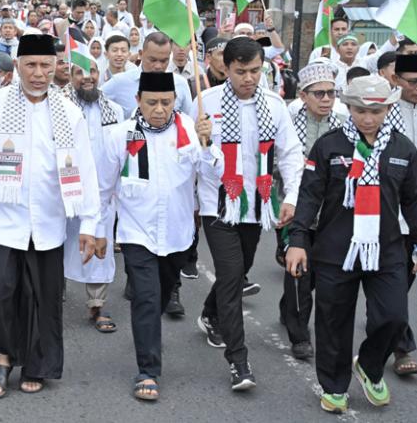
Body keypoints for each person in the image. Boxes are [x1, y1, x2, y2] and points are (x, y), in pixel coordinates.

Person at [0, 33, 101, 399]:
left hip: (47, 221)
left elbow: (86, 170)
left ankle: (29, 363)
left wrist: (90, 224)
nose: (38, 73)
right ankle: (7, 350)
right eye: (31, 65)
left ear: (56, 67)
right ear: (18, 66)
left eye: (46, 65)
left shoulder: (69, 111)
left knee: (43, 298)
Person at [286, 74, 417, 414]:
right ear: (349, 107)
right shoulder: (329, 145)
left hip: (387, 250)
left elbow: (413, 202)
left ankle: (370, 367)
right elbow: (309, 195)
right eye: (359, 110)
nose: (368, 118)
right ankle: (334, 386)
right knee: (333, 322)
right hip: (335, 250)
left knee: (394, 317)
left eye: (376, 111)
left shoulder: (403, 148)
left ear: (388, 108)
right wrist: (298, 240)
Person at [98, 71, 220, 400]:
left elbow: (213, 176)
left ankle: (147, 333)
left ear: (174, 103)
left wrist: (209, 144)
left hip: (178, 235)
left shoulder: (190, 133)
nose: (159, 109)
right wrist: (96, 231)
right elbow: (104, 188)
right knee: (147, 299)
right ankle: (148, 369)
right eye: (152, 102)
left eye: (166, 102)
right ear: (138, 101)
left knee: (162, 294)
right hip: (136, 232)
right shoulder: (121, 135)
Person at [195, 36, 303, 390]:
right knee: (230, 276)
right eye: (241, 71)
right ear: (225, 68)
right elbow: (193, 161)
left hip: (258, 206)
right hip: (218, 205)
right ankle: (239, 362)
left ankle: (211, 314)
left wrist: (292, 198)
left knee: (239, 271)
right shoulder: (204, 103)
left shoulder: (274, 105)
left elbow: (289, 155)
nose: (249, 78)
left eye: (255, 70)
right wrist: (203, 142)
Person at [277, 62, 347, 361]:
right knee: (299, 271)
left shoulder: (346, 123)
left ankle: (288, 308)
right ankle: (299, 334)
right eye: (319, 93)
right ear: (303, 95)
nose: (326, 99)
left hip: (333, 211)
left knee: (319, 271)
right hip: (295, 204)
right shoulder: (288, 118)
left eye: (331, 93)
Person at [61, 57, 124, 333]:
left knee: (100, 249)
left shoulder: (115, 110)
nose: (87, 77)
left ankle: (97, 305)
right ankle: (51, 298)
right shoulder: (58, 107)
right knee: (56, 245)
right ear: (70, 75)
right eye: (80, 72)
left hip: (101, 191)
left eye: (93, 71)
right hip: (65, 190)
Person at [384, 54, 417, 375]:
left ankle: (387, 326)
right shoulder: (383, 113)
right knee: (393, 281)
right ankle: (402, 345)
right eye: (412, 82)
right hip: (388, 214)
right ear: (396, 80)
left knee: (403, 279)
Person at [102, 31, 193, 118]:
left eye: (163, 61)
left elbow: (188, 121)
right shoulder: (120, 82)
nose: (158, 66)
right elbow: (94, 101)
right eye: (153, 60)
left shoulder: (180, 83)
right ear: (141, 54)